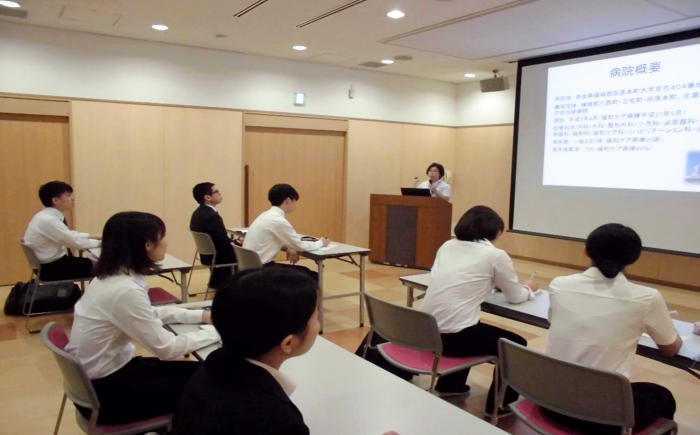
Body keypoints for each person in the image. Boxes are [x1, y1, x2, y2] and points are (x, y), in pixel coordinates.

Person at [65, 212, 220, 425]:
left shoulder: (113, 277)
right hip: (108, 396)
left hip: (108, 377)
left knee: (207, 372)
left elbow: (146, 313)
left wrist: (200, 316)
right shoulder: (123, 289)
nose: (166, 241)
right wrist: (218, 331)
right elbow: (167, 349)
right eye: (163, 235)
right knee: (214, 384)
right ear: (147, 245)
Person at [544, 223, 681, 433]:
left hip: (548, 402)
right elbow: (671, 348)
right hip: (603, 418)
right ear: (634, 258)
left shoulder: (559, 284)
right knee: (662, 396)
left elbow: (554, 321)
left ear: (586, 250)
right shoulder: (646, 297)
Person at [419, 206, 538, 416]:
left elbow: (461, 278)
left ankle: (450, 385)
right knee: (516, 344)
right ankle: (499, 407)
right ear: (493, 232)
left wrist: (490, 283)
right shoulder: (495, 255)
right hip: (453, 339)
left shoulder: (447, 245)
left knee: (467, 321)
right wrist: (529, 287)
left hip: (425, 331)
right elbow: (516, 296)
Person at [171, 267, 319, 435]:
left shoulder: (214, 363)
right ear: (288, 343)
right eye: (316, 318)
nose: (318, 324)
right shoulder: (279, 420)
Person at [243, 184, 329, 279]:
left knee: (304, 271)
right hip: (262, 270)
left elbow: (280, 239)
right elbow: (301, 246)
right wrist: (321, 242)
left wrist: (291, 246)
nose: (295, 205)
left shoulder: (265, 215)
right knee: (311, 276)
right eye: (294, 201)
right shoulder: (278, 221)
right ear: (288, 201)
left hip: (250, 268)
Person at [23, 181, 101, 280]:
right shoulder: (49, 220)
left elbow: (68, 234)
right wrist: (103, 242)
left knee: (99, 263)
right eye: (68, 195)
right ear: (55, 200)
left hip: (50, 265)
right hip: (52, 269)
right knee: (107, 267)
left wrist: (93, 236)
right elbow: (75, 243)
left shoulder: (46, 216)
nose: (73, 199)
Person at [190, 182, 237, 289]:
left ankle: (217, 282)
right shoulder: (212, 216)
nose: (220, 194)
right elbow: (223, 242)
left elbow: (219, 238)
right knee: (249, 253)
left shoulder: (198, 213)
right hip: (219, 256)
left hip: (207, 255)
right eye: (216, 191)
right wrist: (238, 243)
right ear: (207, 197)